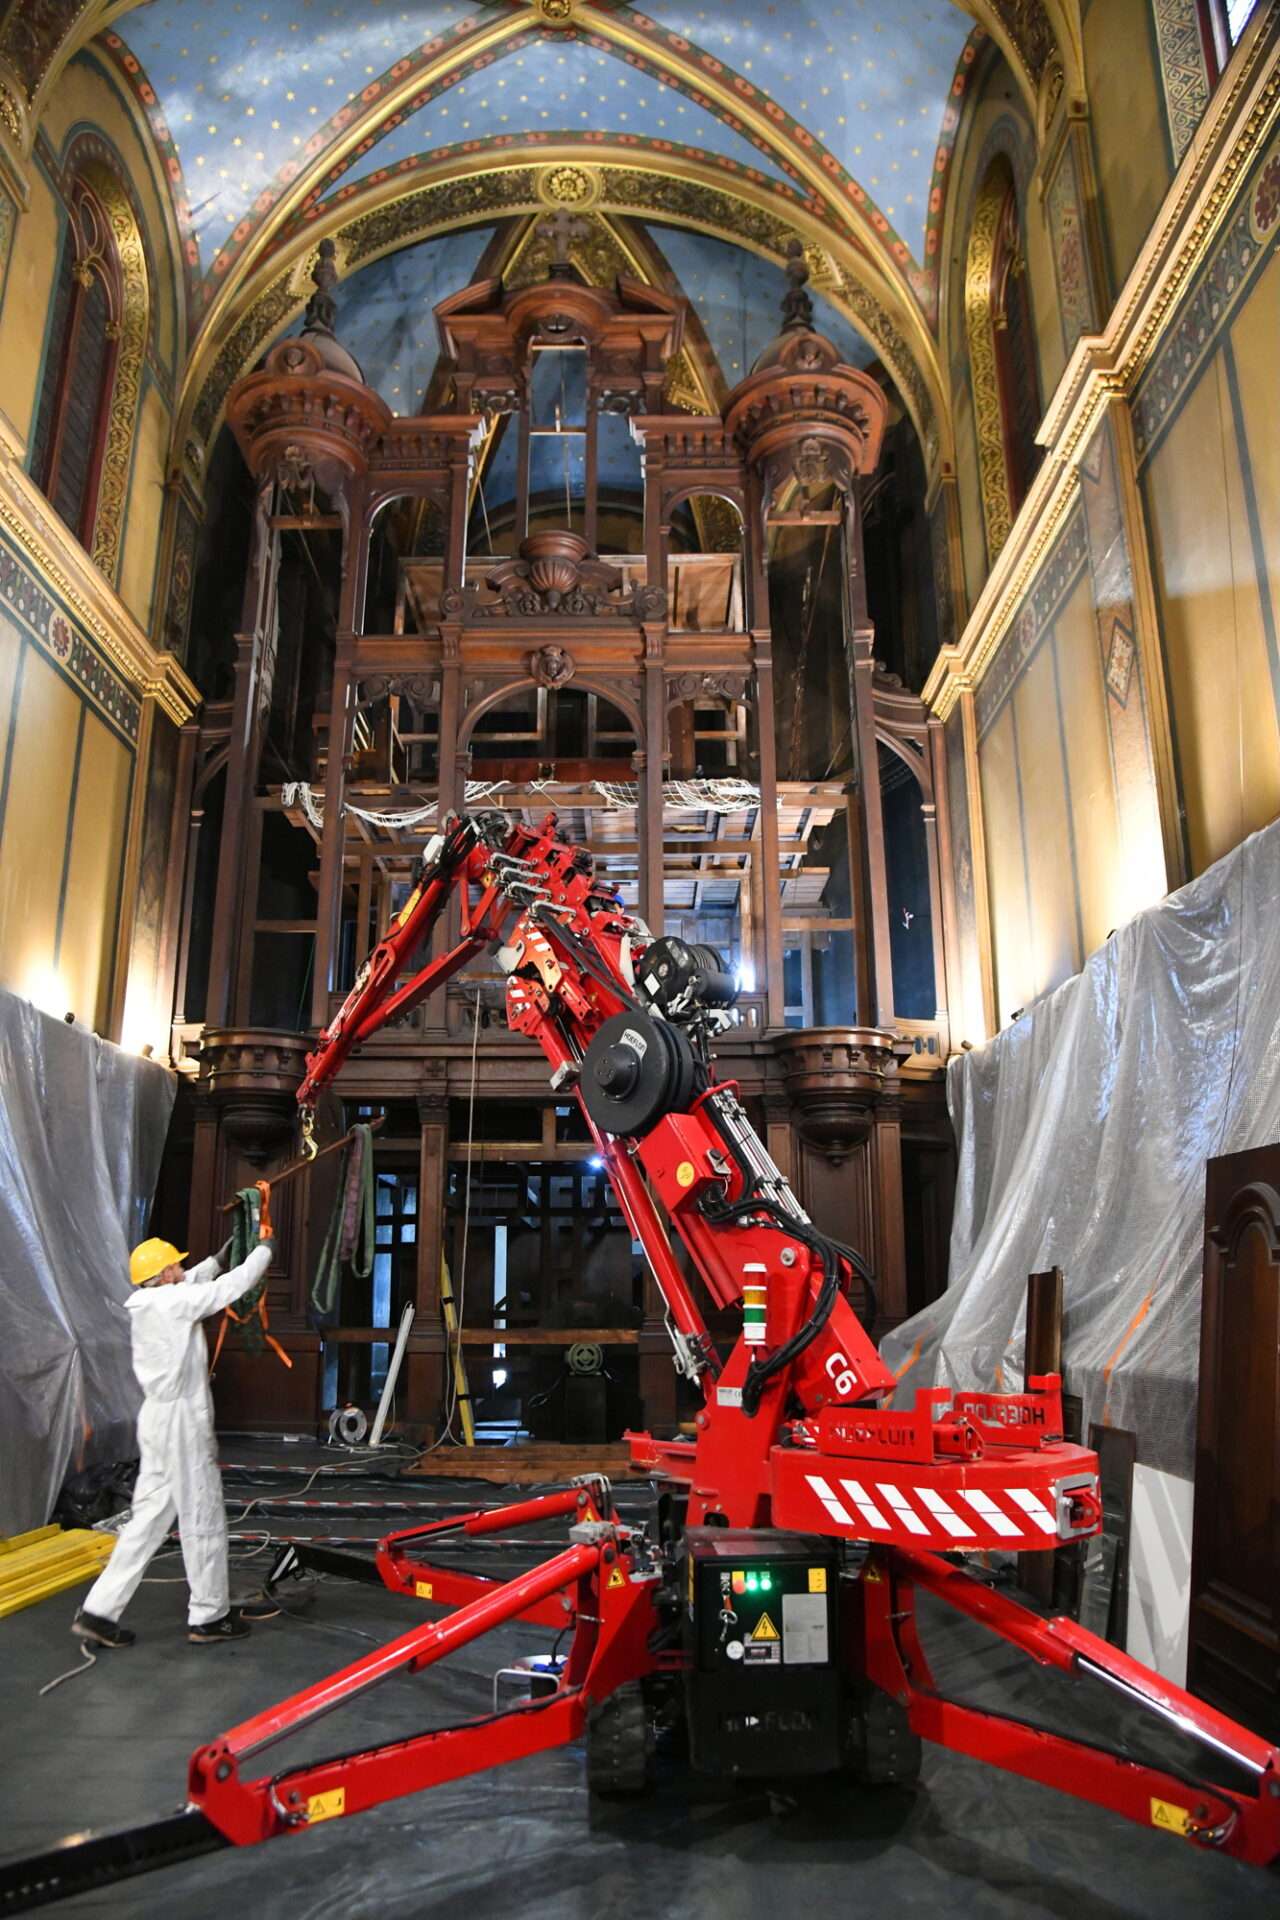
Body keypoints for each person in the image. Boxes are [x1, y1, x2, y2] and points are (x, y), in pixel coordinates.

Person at [73, 1231, 280, 1648]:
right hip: (182, 1423)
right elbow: (225, 1291)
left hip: (156, 1421)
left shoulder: (153, 1303)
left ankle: (99, 1611)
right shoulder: (172, 1303)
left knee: (147, 1519)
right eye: (177, 1265)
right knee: (201, 1515)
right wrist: (263, 1253)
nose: (183, 1270)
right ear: (165, 1273)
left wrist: (216, 1259)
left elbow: (197, 1283)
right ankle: (209, 1616)